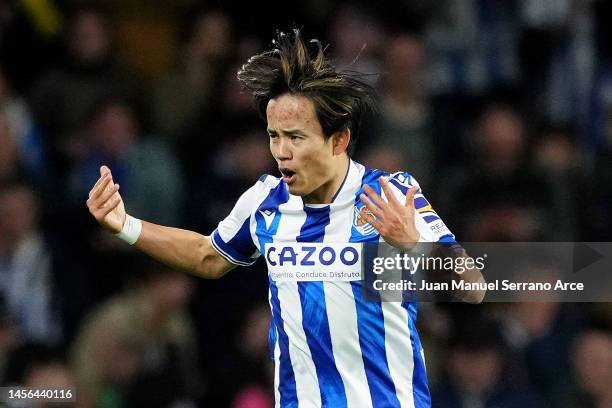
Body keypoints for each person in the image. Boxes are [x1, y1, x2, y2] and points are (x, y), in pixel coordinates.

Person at [86, 29, 485, 408]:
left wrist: (415, 245)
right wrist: (126, 225)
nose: (281, 151)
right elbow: (209, 256)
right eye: (274, 136)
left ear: (339, 138)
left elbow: (474, 287)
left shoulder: (390, 194)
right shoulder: (266, 201)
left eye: (295, 136)